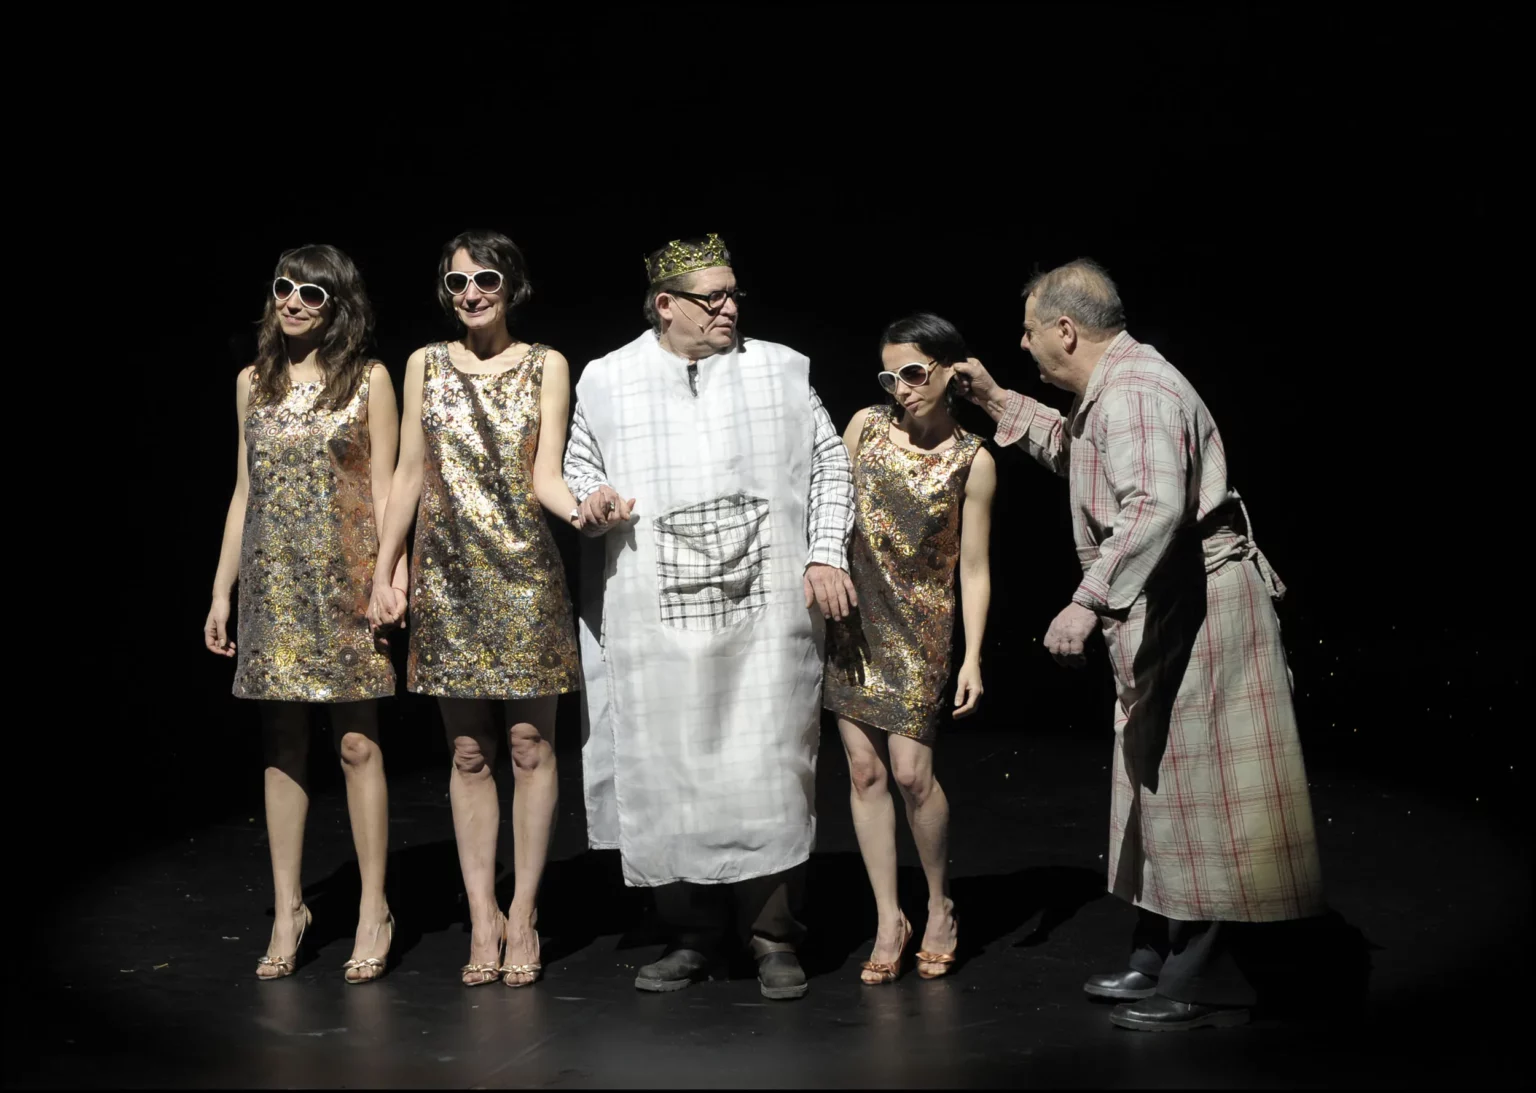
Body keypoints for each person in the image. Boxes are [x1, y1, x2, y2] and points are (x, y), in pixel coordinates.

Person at [953, 259, 1324, 1031]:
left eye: (1028, 330)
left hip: (1203, 610)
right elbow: (1077, 447)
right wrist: (994, 399)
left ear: (1065, 328)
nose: (1022, 343)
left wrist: (1087, 602)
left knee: (1205, 795)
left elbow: (1154, 501)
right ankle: (1162, 951)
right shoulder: (1110, 391)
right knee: (1163, 791)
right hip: (1167, 607)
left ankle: (1206, 977)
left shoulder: (1140, 390)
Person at [563, 233, 855, 1001]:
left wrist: (825, 552)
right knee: (671, 771)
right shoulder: (608, 379)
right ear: (665, 305)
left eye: (734, 295)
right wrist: (590, 500)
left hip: (764, 619)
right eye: (712, 298)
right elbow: (577, 465)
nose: (731, 308)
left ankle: (772, 934)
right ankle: (689, 932)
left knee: (766, 768)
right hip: (655, 621)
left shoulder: (782, 371)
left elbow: (829, 461)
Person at [369, 230, 584, 988]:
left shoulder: (547, 363)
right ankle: (482, 913)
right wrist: (386, 567)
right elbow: (407, 474)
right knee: (467, 753)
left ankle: (524, 909)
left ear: (511, 284)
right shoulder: (425, 363)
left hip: (525, 572)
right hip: (449, 579)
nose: (471, 293)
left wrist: (583, 508)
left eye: (485, 278)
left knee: (530, 745)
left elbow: (546, 474)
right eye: (457, 283)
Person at [204, 244, 401, 984]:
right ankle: (290, 906)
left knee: (356, 744)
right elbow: (242, 494)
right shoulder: (252, 383)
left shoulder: (370, 380)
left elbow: (386, 488)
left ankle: (374, 907)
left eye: (312, 292)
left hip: (346, 584)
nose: (293, 300)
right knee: (281, 742)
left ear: (337, 306)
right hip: (273, 585)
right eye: (285, 287)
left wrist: (390, 577)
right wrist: (222, 591)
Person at [824, 313, 995, 985]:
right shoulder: (865, 426)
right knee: (864, 772)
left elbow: (974, 567)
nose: (902, 388)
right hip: (855, 618)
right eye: (890, 375)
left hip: (923, 624)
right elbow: (830, 508)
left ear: (951, 370)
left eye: (915, 373)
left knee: (911, 773)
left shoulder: (972, 459)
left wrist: (974, 655)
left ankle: (940, 902)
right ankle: (889, 915)